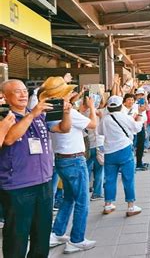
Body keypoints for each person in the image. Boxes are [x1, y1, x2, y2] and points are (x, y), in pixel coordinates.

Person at [0, 79, 72, 258]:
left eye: (25, 90)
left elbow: (64, 128)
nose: (23, 94)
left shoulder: (38, 116)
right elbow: (8, 139)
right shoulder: (4, 117)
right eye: (17, 91)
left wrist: (67, 113)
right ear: (5, 97)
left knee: (41, 236)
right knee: (17, 237)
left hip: (44, 183)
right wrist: (31, 114)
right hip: (18, 186)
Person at [44, 77, 98, 254]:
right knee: (82, 201)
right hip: (75, 160)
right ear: (63, 94)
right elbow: (92, 125)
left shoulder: (49, 111)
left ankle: (57, 233)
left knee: (69, 198)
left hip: (60, 160)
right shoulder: (70, 114)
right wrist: (91, 107)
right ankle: (77, 239)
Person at [98, 96, 145, 216]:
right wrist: (140, 115)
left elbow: (100, 132)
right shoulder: (125, 117)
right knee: (128, 179)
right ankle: (131, 207)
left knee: (110, 179)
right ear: (120, 106)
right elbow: (137, 128)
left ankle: (108, 205)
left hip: (109, 152)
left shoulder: (105, 119)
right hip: (124, 150)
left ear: (108, 107)